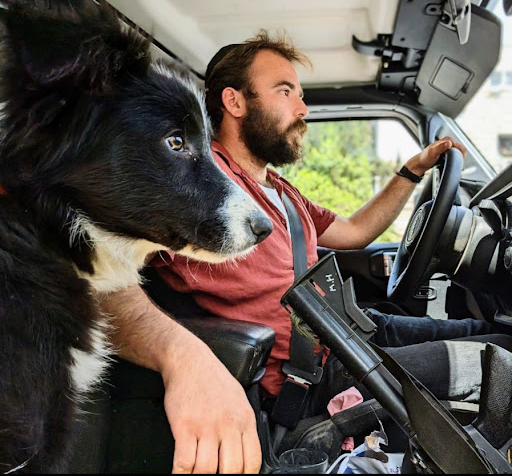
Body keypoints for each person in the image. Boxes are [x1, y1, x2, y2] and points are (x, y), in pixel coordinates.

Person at [101, 31, 512, 474]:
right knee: (499, 373)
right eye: (285, 91)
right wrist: (181, 355)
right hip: (306, 382)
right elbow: (103, 278)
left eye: (300, 94)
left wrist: (411, 172)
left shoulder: (281, 191)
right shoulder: (193, 183)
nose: (302, 109)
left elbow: (354, 231)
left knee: (500, 337)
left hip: (345, 336)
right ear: (235, 102)